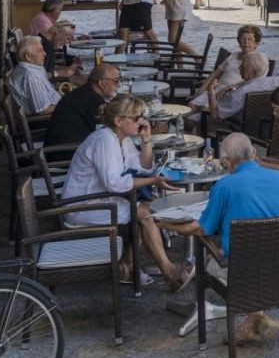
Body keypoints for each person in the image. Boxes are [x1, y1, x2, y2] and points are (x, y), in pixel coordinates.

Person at [161, 132, 279, 346]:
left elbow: (201, 229)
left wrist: (164, 224)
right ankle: (255, 319)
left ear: (227, 162)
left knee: (215, 259)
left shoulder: (225, 186)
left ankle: (254, 319)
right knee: (247, 254)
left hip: (244, 272)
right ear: (254, 153)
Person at [62, 95, 191, 290]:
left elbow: (143, 167)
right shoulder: (105, 140)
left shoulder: (122, 139)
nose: (142, 121)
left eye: (142, 116)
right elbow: (115, 184)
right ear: (119, 121)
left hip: (101, 199)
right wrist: (153, 181)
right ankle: (168, 271)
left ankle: (126, 267)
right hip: (82, 206)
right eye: (137, 117)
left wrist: (146, 140)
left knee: (146, 210)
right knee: (145, 214)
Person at [190, 51, 279, 125]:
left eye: (243, 67)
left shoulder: (241, 93)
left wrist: (211, 90)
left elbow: (216, 116)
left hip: (234, 127)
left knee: (193, 120)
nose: (239, 68)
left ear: (253, 72)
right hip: (263, 126)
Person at [43, 64, 119, 159]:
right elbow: (103, 134)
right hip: (65, 155)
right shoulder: (94, 101)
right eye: (116, 81)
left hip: (57, 150)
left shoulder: (84, 93)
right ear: (101, 83)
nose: (118, 85)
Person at [5, 36, 62, 117]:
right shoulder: (31, 76)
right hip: (47, 122)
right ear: (28, 57)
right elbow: (43, 110)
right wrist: (65, 105)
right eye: (40, 51)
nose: (45, 54)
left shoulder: (31, 69)